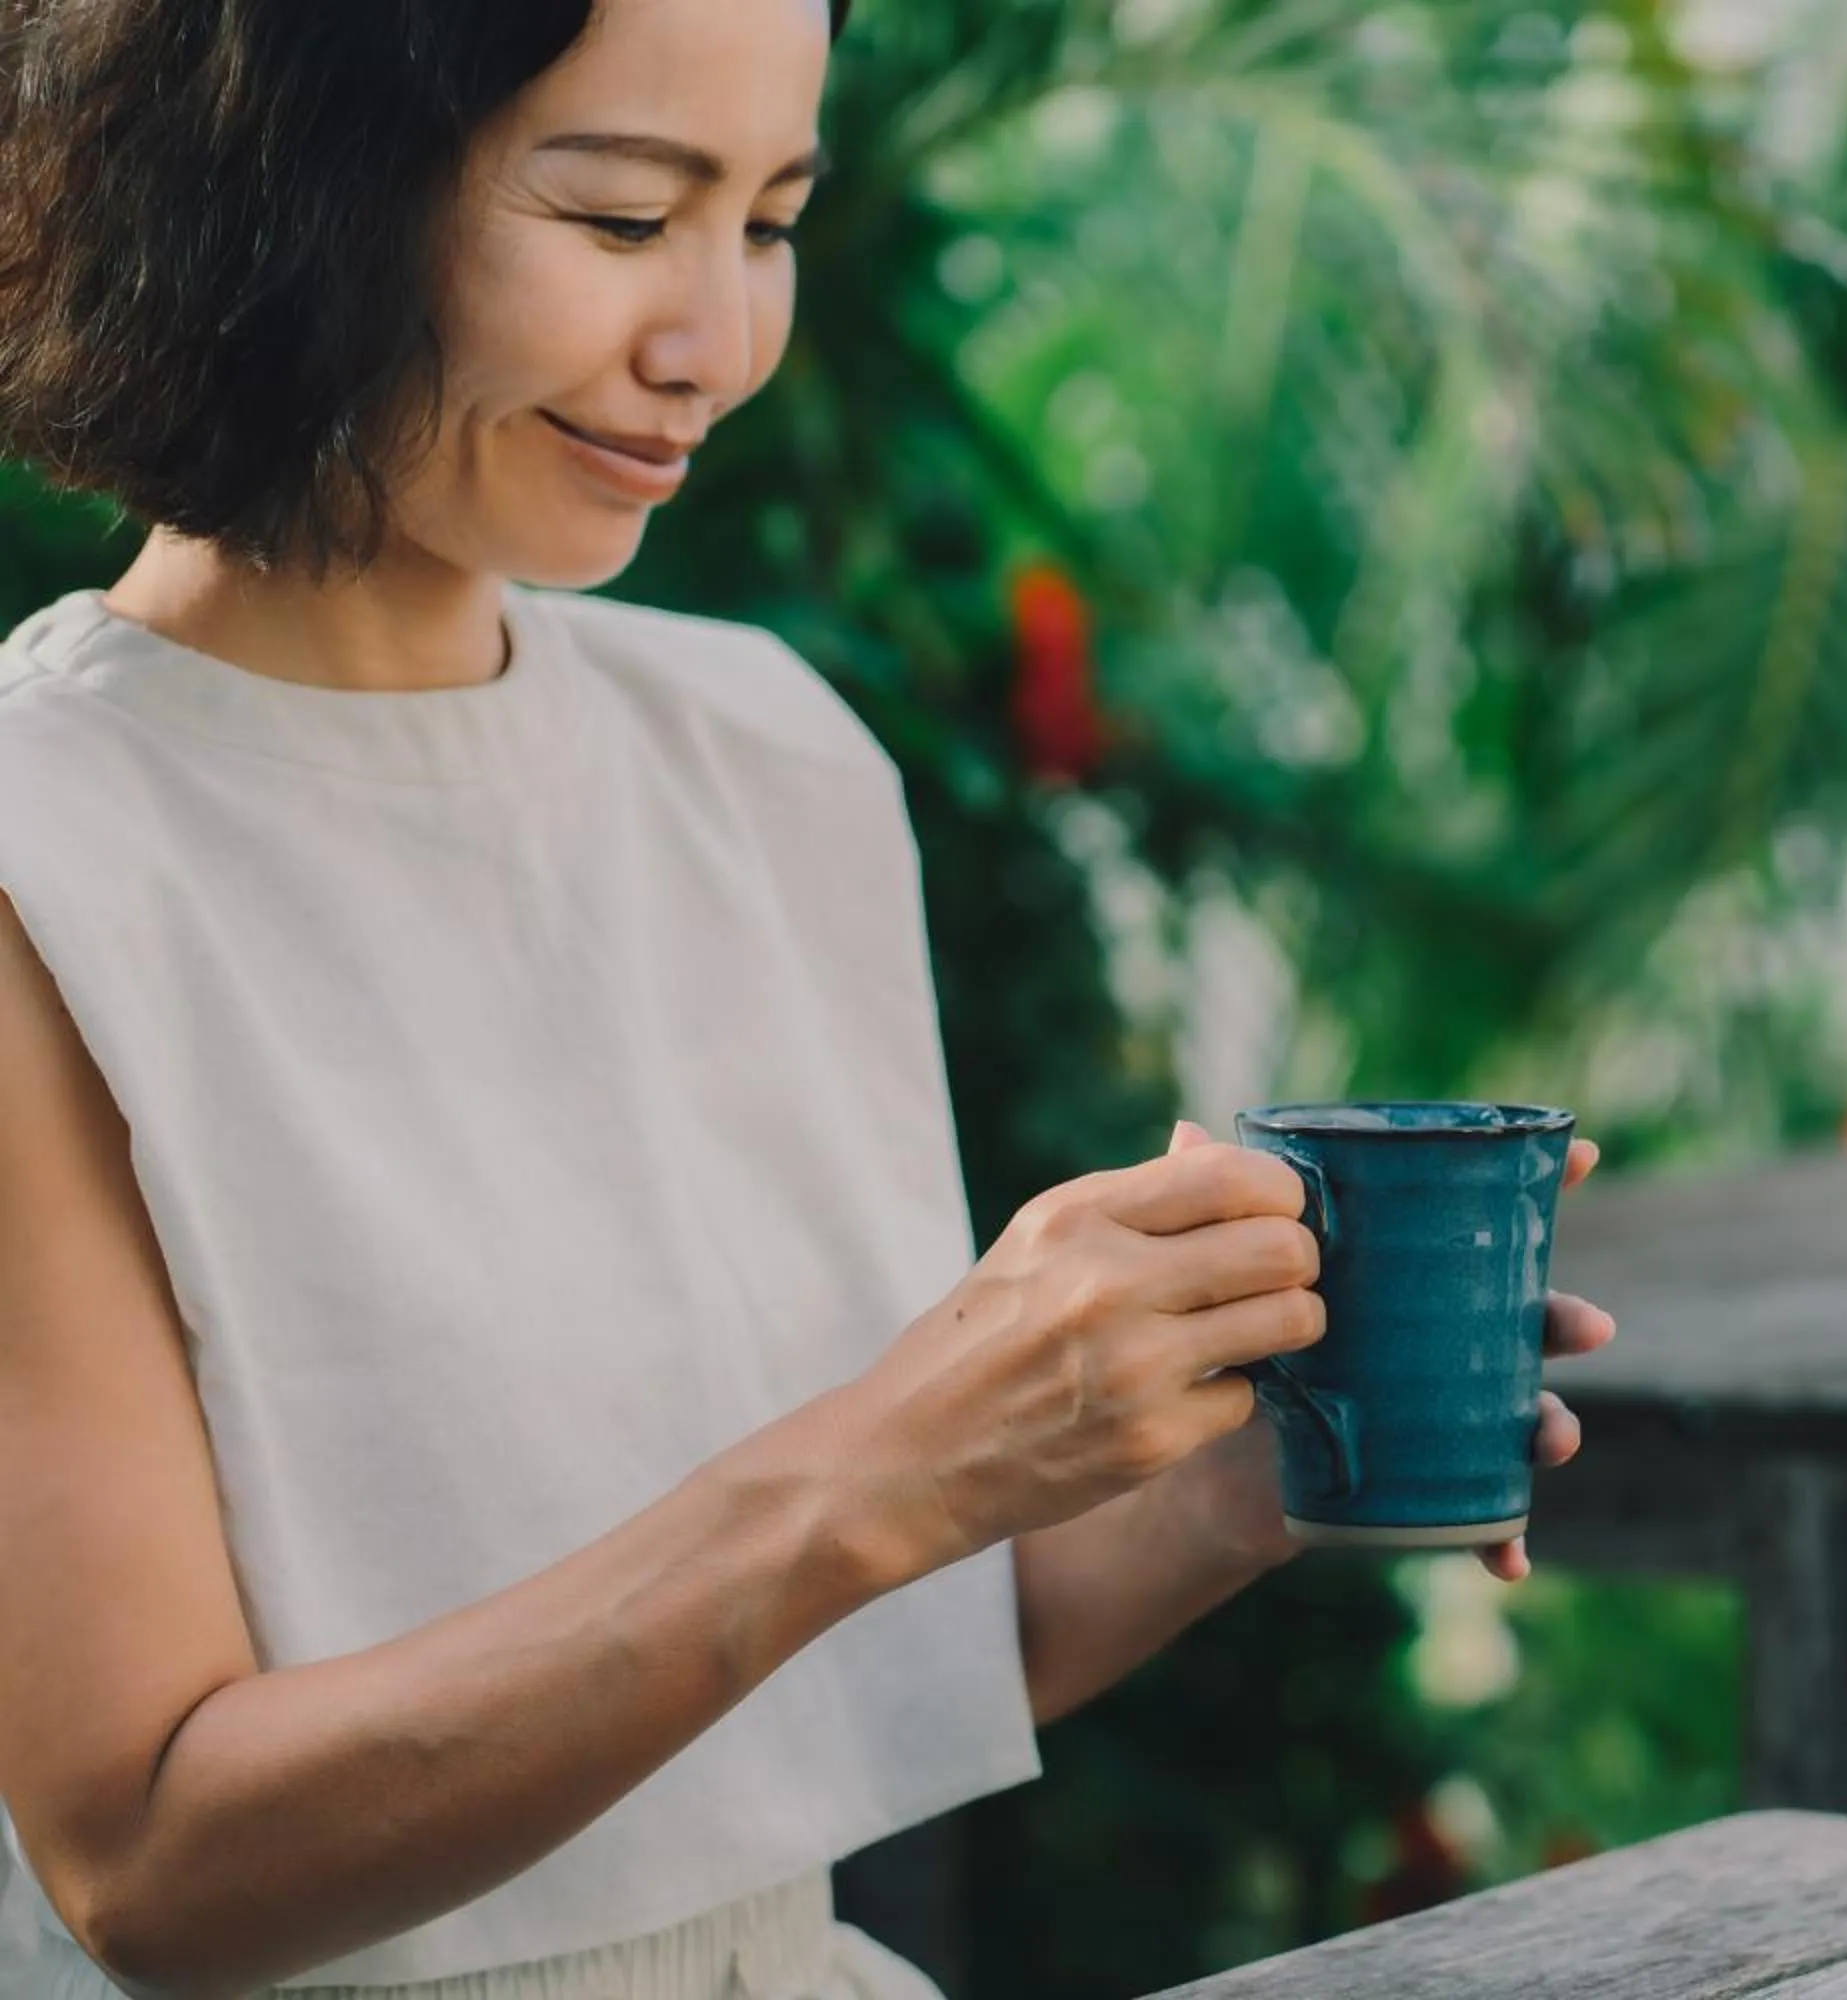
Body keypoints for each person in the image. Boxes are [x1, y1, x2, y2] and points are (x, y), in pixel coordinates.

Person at [0, 2, 1617, 1995]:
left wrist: (1244, 1469)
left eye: (766, 222)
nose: (714, 345)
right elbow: (149, 1859)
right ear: (287, 191)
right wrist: (885, 1458)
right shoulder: (44, 857)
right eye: (617, 218)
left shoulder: (767, 761)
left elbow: (844, 1663)